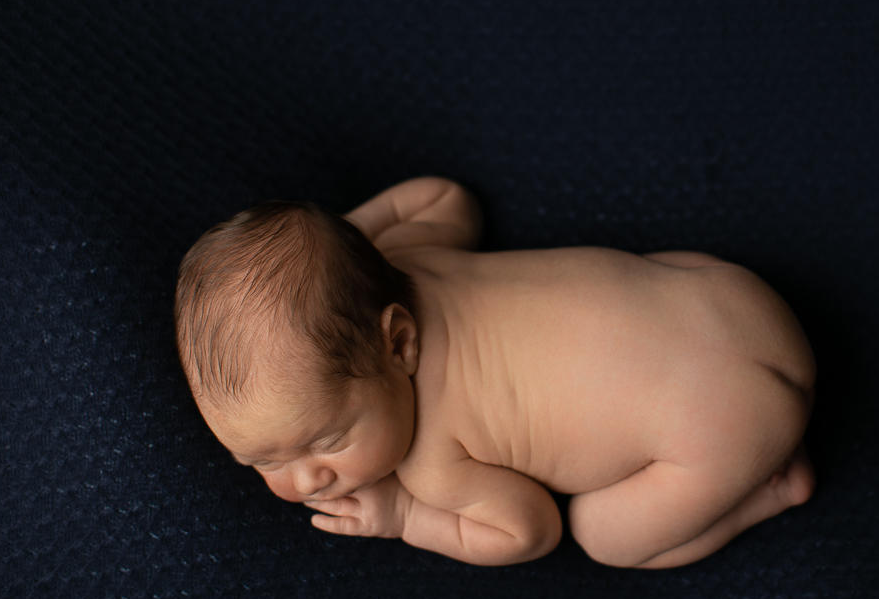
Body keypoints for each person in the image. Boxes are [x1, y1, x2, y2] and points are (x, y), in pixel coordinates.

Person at [175, 177, 815, 568]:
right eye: (258, 460)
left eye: (328, 440)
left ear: (400, 343)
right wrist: (350, 248)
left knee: (603, 537)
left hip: (725, 425)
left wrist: (405, 516)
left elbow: (530, 531)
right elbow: (443, 196)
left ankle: (771, 488)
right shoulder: (405, 252)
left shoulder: (433, 464)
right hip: (736, 298)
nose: (303, 480)